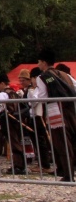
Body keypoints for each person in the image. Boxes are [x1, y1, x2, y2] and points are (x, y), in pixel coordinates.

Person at [36, 49, 76, 182]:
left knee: (62, 142)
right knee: (72, 140)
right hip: (71, 109)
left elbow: (42, 97)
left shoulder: (42, 77)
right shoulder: (65, 75)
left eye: (39, 61)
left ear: (44, 62)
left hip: (55, 111)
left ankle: (68, 174)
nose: (38, 64)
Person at [0, 73, 26, 175]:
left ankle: (18, 166)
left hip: (8, 120)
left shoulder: (2, 94)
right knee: (17, 141)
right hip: (16, 119)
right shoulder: (14, 93)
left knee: (13, 142)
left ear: (2, 83)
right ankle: (20, 164)